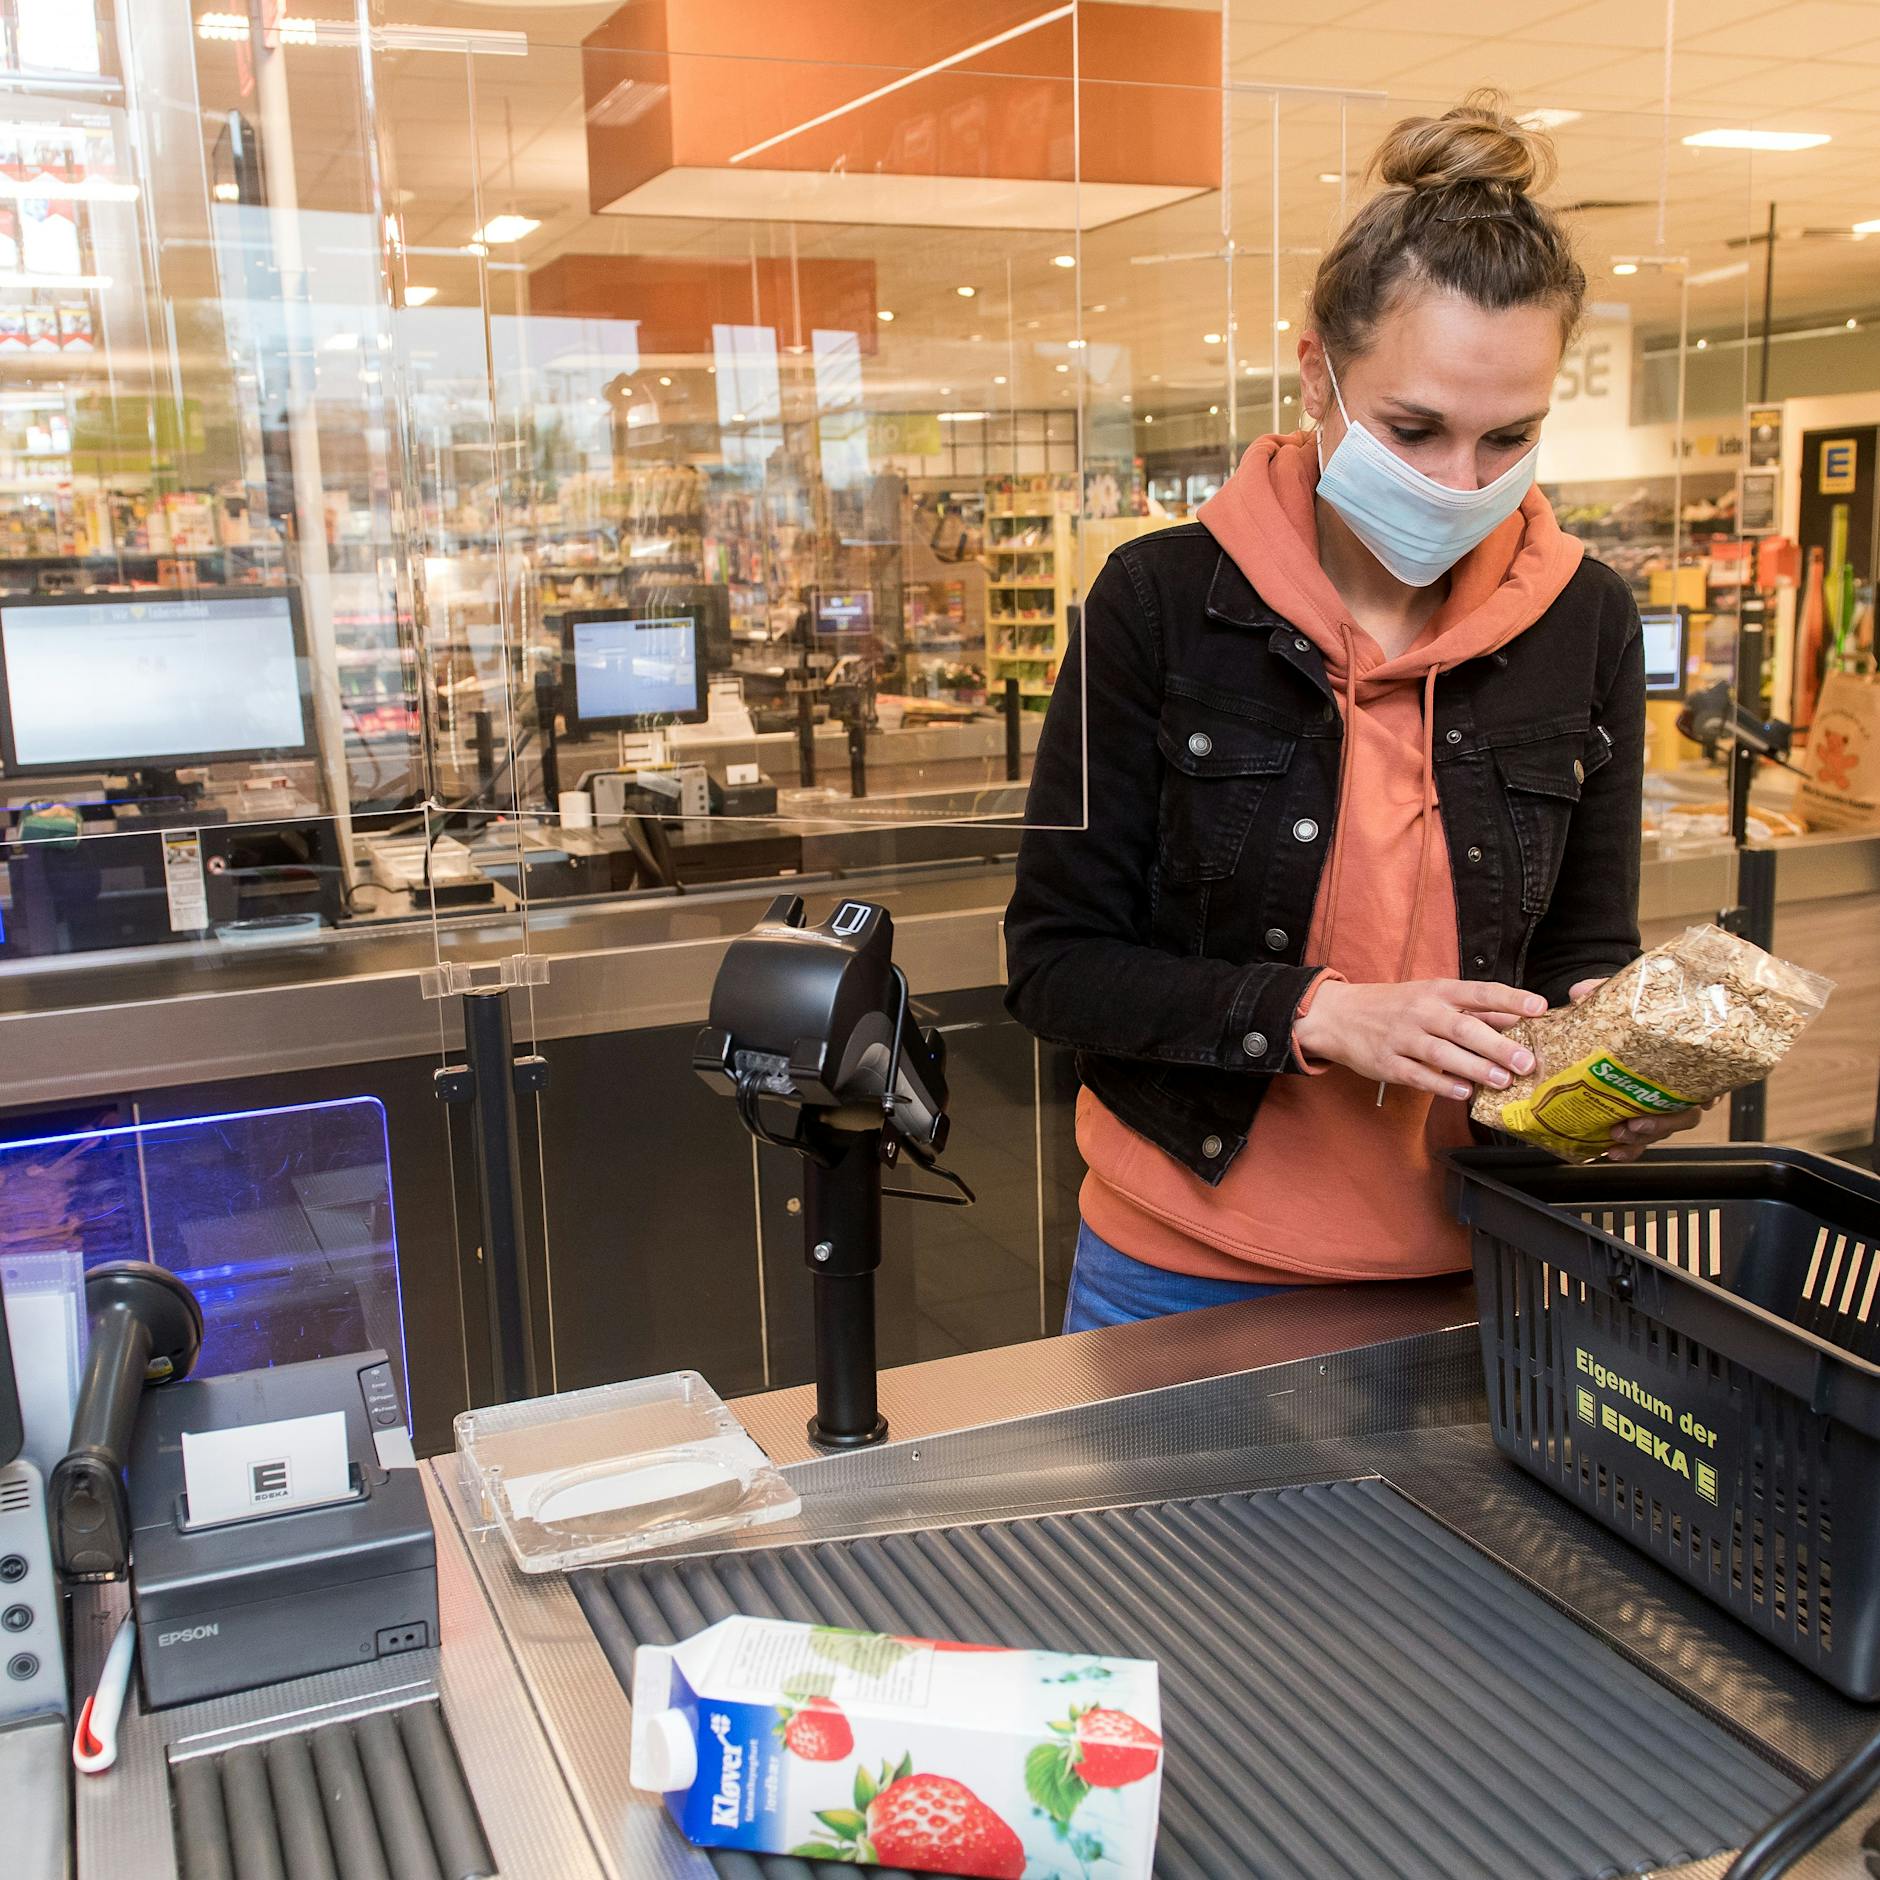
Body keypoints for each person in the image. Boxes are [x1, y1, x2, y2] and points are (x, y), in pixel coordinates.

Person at [1005, 93, 1702, 1334]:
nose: (1459, 484)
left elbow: (1582, 946)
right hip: (1181, 1263)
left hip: (1486, 1253)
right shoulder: (1158, 603)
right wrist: (1320, 1013)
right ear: (1315, 369)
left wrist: (1618, 1062)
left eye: (1510, 439)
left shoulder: (1584, 618)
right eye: (1414, 429)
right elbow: (1056, 966)